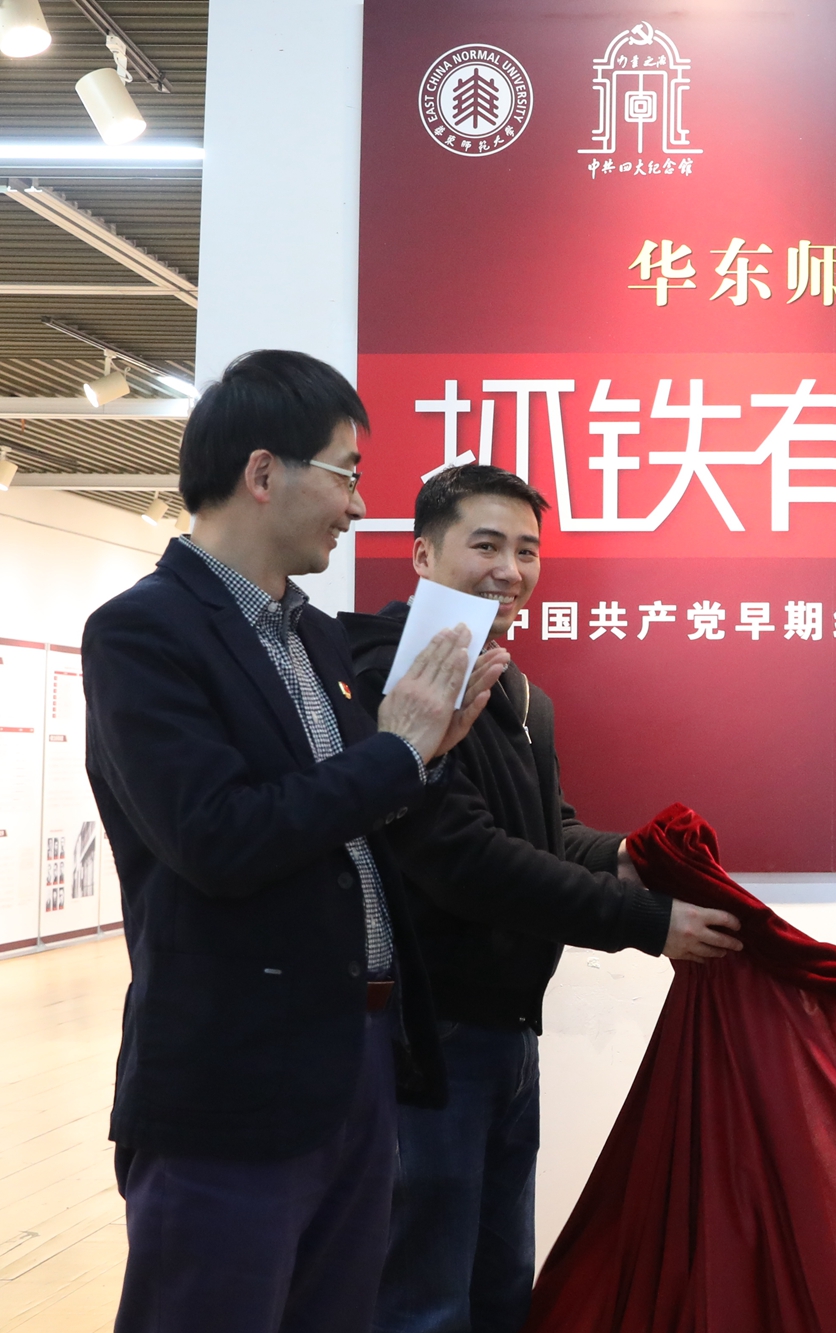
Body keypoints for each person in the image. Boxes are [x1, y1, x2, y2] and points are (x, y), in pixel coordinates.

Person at [82, 349, 508, 1333]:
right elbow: (218, 836)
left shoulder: (314, 636)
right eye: (347, 473)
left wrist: (429, 753)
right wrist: (396, 752)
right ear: (264, 472)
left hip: (354, 1059)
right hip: (235, 1073)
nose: (359, 505)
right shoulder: (144, 633)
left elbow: (344, 813)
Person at [338, 464, 742, 1333]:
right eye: (485, 544)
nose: (510, 570)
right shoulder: (392, 680)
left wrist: (634, 857)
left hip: (507, 1035)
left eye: (526, 550)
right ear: (422, 554)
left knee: (498, 1291)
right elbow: (463, 857)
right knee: (422, 1298)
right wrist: (651, 923)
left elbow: (547, 834)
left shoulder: (517, 693)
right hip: (425, 1041)